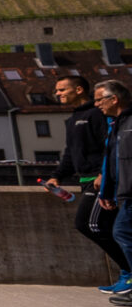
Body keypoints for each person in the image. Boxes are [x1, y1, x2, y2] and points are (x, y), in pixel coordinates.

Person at [43, 72, 126, 291]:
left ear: (78, 89)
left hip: (100, 181)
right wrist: (57, 175)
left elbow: (109, 146)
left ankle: (128, 271)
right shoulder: (72, 120)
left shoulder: (97, 114)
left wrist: (103, 174)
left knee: (90, 224)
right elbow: (71, 153)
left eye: (62, 89)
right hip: (86, 180)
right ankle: (126, 274)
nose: (57, 93)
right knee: (110, 228)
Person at [96, 81, 132, 307]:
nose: (97, 104)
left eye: (100, 99)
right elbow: (113, 162)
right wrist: (107, 191)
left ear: (114, 99)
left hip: (130, 192)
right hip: (124, 192)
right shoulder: (117, 124)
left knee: (122, 233)